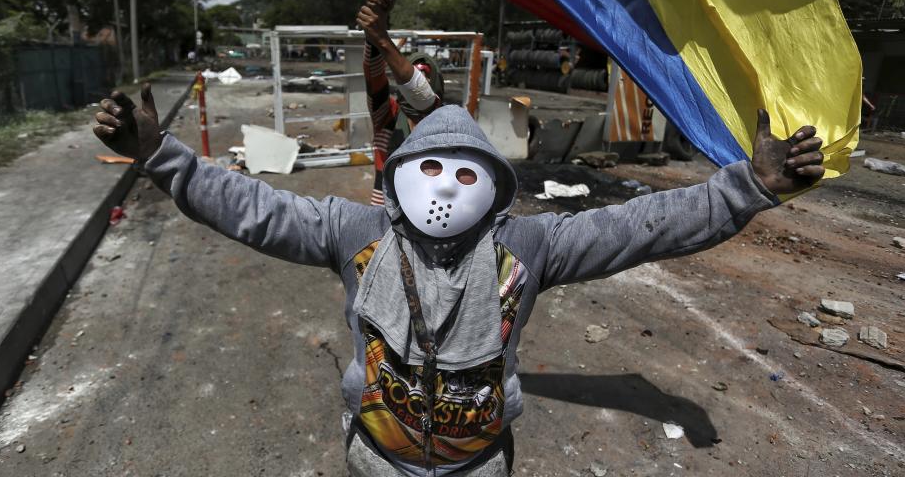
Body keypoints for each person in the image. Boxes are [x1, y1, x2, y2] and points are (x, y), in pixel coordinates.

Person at [93, 30, 824, 476]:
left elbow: (638, 226)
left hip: (480, 466)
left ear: (498, 191)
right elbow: (253, 208)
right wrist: (161, 156)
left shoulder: (528, 246)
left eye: (468, 173)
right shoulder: (355, 235)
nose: (446, 187)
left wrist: (745, 190)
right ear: (398, 179)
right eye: (431, 168)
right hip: (374, 460)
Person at [358, 0, 445, 206]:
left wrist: (381, 35)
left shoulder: (448, 123)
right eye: (411, 72)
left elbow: (425, 99)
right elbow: (374, 74)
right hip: (384, 219)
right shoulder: (387, 117)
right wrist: (375, 33)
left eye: (426, 75)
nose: (417, 81)